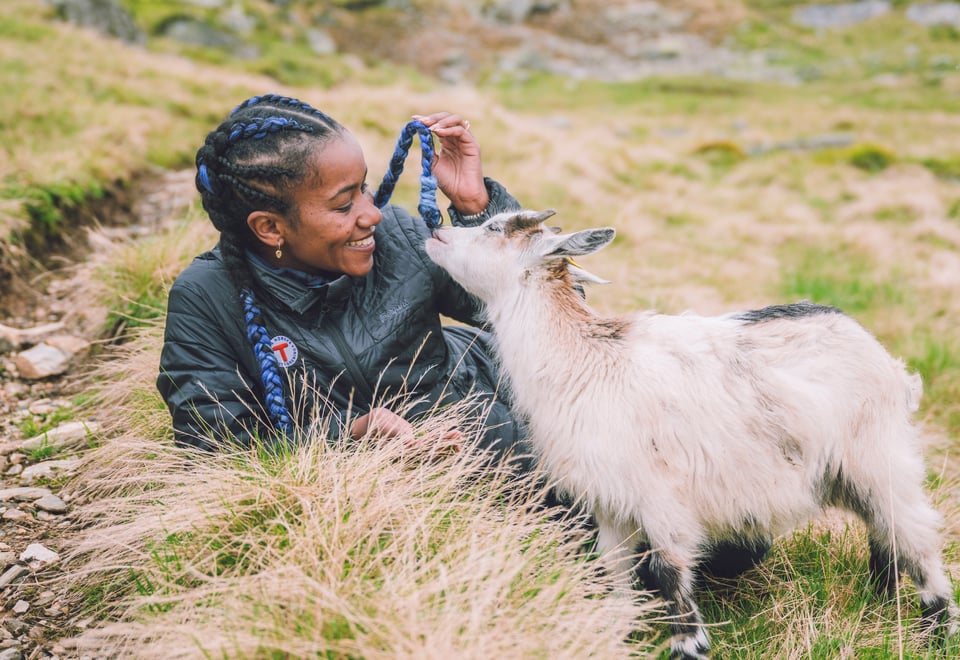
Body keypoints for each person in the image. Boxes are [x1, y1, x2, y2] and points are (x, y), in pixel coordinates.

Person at [157, 92, 768, 580]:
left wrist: (477, 209)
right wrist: (349, 441)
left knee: (736, 545)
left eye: (367, 188)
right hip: (392, 503)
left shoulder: (398, 235)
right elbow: (214, 455)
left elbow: (560, 321)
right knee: (592, 561)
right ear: (269, 227)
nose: (372, 212)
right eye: (344, 204)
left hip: (511, 440)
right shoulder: (204, 302)